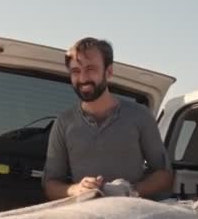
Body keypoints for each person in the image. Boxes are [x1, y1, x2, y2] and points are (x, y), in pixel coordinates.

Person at [43, 37, 173, 200]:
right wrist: (77, 190)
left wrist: (130, 191)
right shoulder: (64, 122)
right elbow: (50, 185)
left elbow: (164, 176)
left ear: (109, 71)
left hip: (133, 218)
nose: (83, 78)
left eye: (91, 69)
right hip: (85, 218)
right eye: (76, 71)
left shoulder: (140, 115)